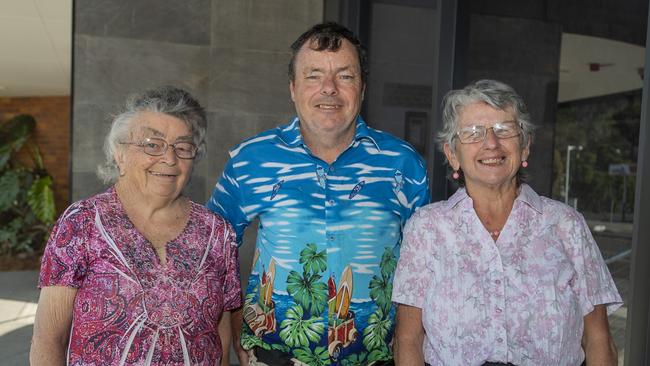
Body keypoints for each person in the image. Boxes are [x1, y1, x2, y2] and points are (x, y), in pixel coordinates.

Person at [207, 22, 430, 366]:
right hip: (272, 357)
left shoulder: (404, 164)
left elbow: (426, 270)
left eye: (344, 76)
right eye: (313, 76)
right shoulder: (251, 160)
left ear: (363, 88)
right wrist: (238, 332)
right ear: (293, 88)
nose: (329, 89)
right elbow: (213, 256)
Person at [392, 79, 622, 366]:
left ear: (524, 147)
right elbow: (408, 340)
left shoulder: (567, 225)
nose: (491, 143)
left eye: (504, 129)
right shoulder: (426, 228)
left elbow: (599, 340)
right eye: (473, 133)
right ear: (453, 155)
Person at [30, 86, 241, 366]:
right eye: (152, 145)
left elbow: (220, 333)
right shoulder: (82, 222)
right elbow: (48, 340)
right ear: (119, 153)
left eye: (183, 147)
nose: (169, 158)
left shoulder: (218, 232)